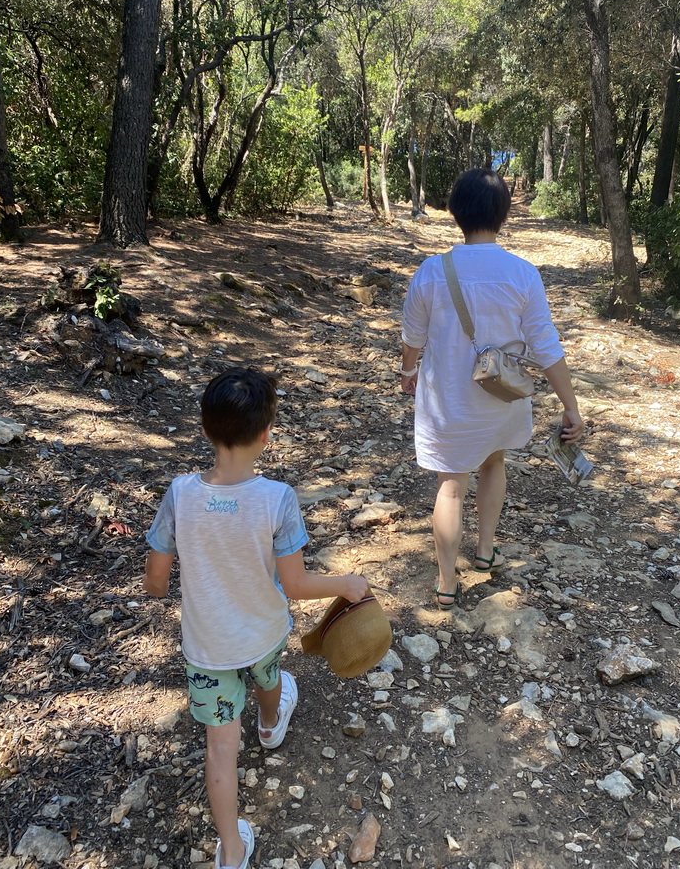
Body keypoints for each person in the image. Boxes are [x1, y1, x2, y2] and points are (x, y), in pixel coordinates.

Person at [143, 367, 368, 869]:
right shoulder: (277, 499)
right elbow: (295, 585)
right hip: (264, 630)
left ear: (204, 430)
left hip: (207, 645)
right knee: (269, 676)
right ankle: (270, 724)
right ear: (267, 435)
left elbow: (155, 578)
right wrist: (346, 584)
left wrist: (163, 588)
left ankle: (232, 850)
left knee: (220, 747)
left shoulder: (180, 493)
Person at [400, 168, 583, 610]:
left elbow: (413, 335)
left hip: (449, 398)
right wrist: (571, 406)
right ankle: (484, 552)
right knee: (494, 461)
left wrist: (408, 371)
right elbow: (545, 345)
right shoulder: (522, 273)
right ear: (503, 214)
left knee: (450, 484)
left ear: (456, 212)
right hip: (502, 396)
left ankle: (446, 583)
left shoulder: (431, 270)